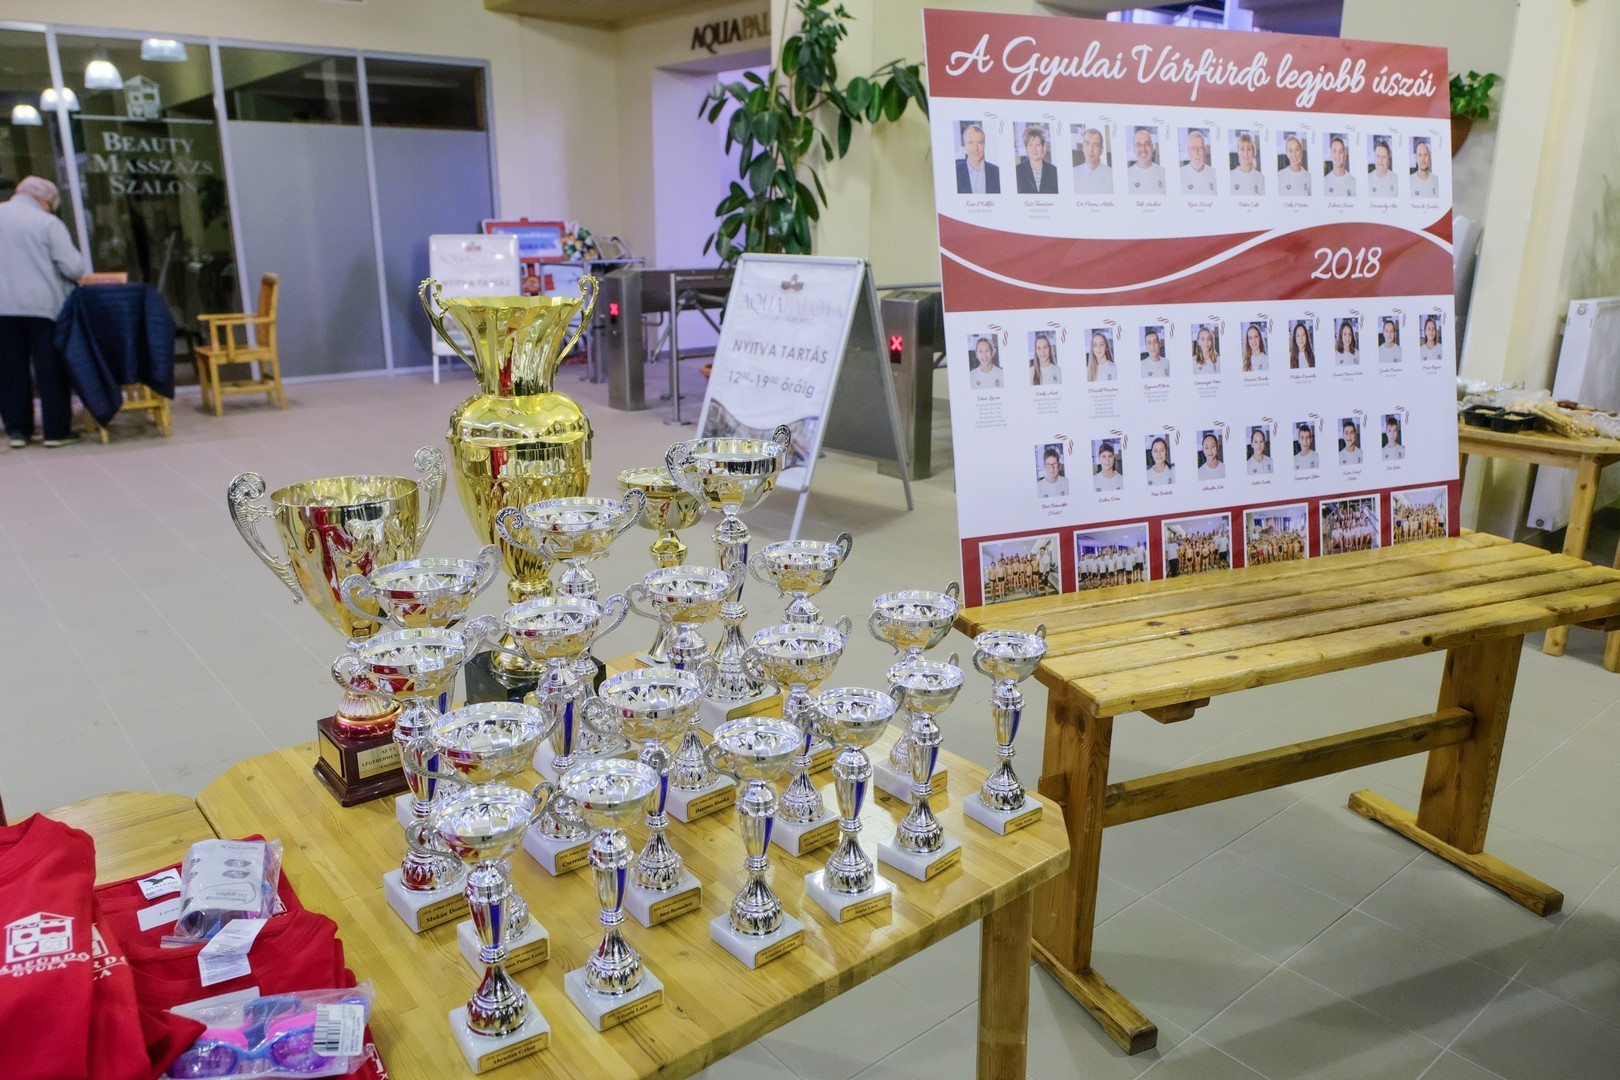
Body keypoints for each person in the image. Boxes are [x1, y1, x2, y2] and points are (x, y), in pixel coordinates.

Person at [0, 176, 86, 449]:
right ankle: (56, 432)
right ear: (45, 201)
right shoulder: (47, 223)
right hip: (43, 307)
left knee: (10, 370)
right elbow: (74, 267)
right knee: (51, 369)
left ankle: (17, 431)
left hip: (3, 308)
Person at [956, 123, 999, 195]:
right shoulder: (955, 173)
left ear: (984, 144)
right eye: (971, 143)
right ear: (964, 145)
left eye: (979, 143)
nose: (975, 148)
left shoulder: (997, 172)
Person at [1016, 125, 1059, 194]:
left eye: (1037, 145)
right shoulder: (1018, 171)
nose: (1034, 149)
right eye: (1030, 145)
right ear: (1026, 148)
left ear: (1043, 146)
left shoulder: (1054, 171)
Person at [1073, 126, 1112, 194]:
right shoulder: (1073, 174)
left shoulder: (1112, 175)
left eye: (1096, 145)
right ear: (1083, 147)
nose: (1091, 149)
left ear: (1101, 150)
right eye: (1087, 144)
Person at [1128, 127, 1166, 195]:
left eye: (1147, 144)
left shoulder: (1164, 173)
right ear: (1134, 148)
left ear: (1152, 147)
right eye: (1138, 145)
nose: (1143, 148)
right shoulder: (1126, 176)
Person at [1182, 130, 1217, 195]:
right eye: (1193, 148)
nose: (1197, 152)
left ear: (1205, 151)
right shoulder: (1179, 175)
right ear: (1188, 151)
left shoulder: (1215, 174)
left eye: (1200, 148)